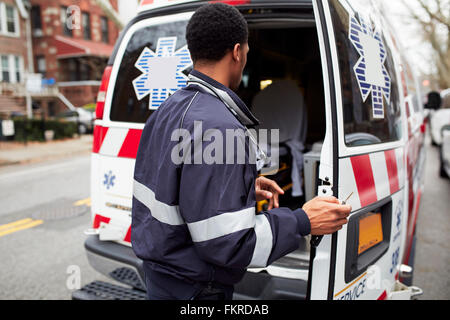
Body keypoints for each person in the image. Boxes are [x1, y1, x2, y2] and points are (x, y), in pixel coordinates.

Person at [131, 2, 351, 300]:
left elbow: (179, 186)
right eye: (246, 53)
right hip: (197, 290)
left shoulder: (166, 111)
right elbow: (229, 244)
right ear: (237, 52)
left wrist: (242, 184)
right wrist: (302, 221)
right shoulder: (222, 127)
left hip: (160, 278)